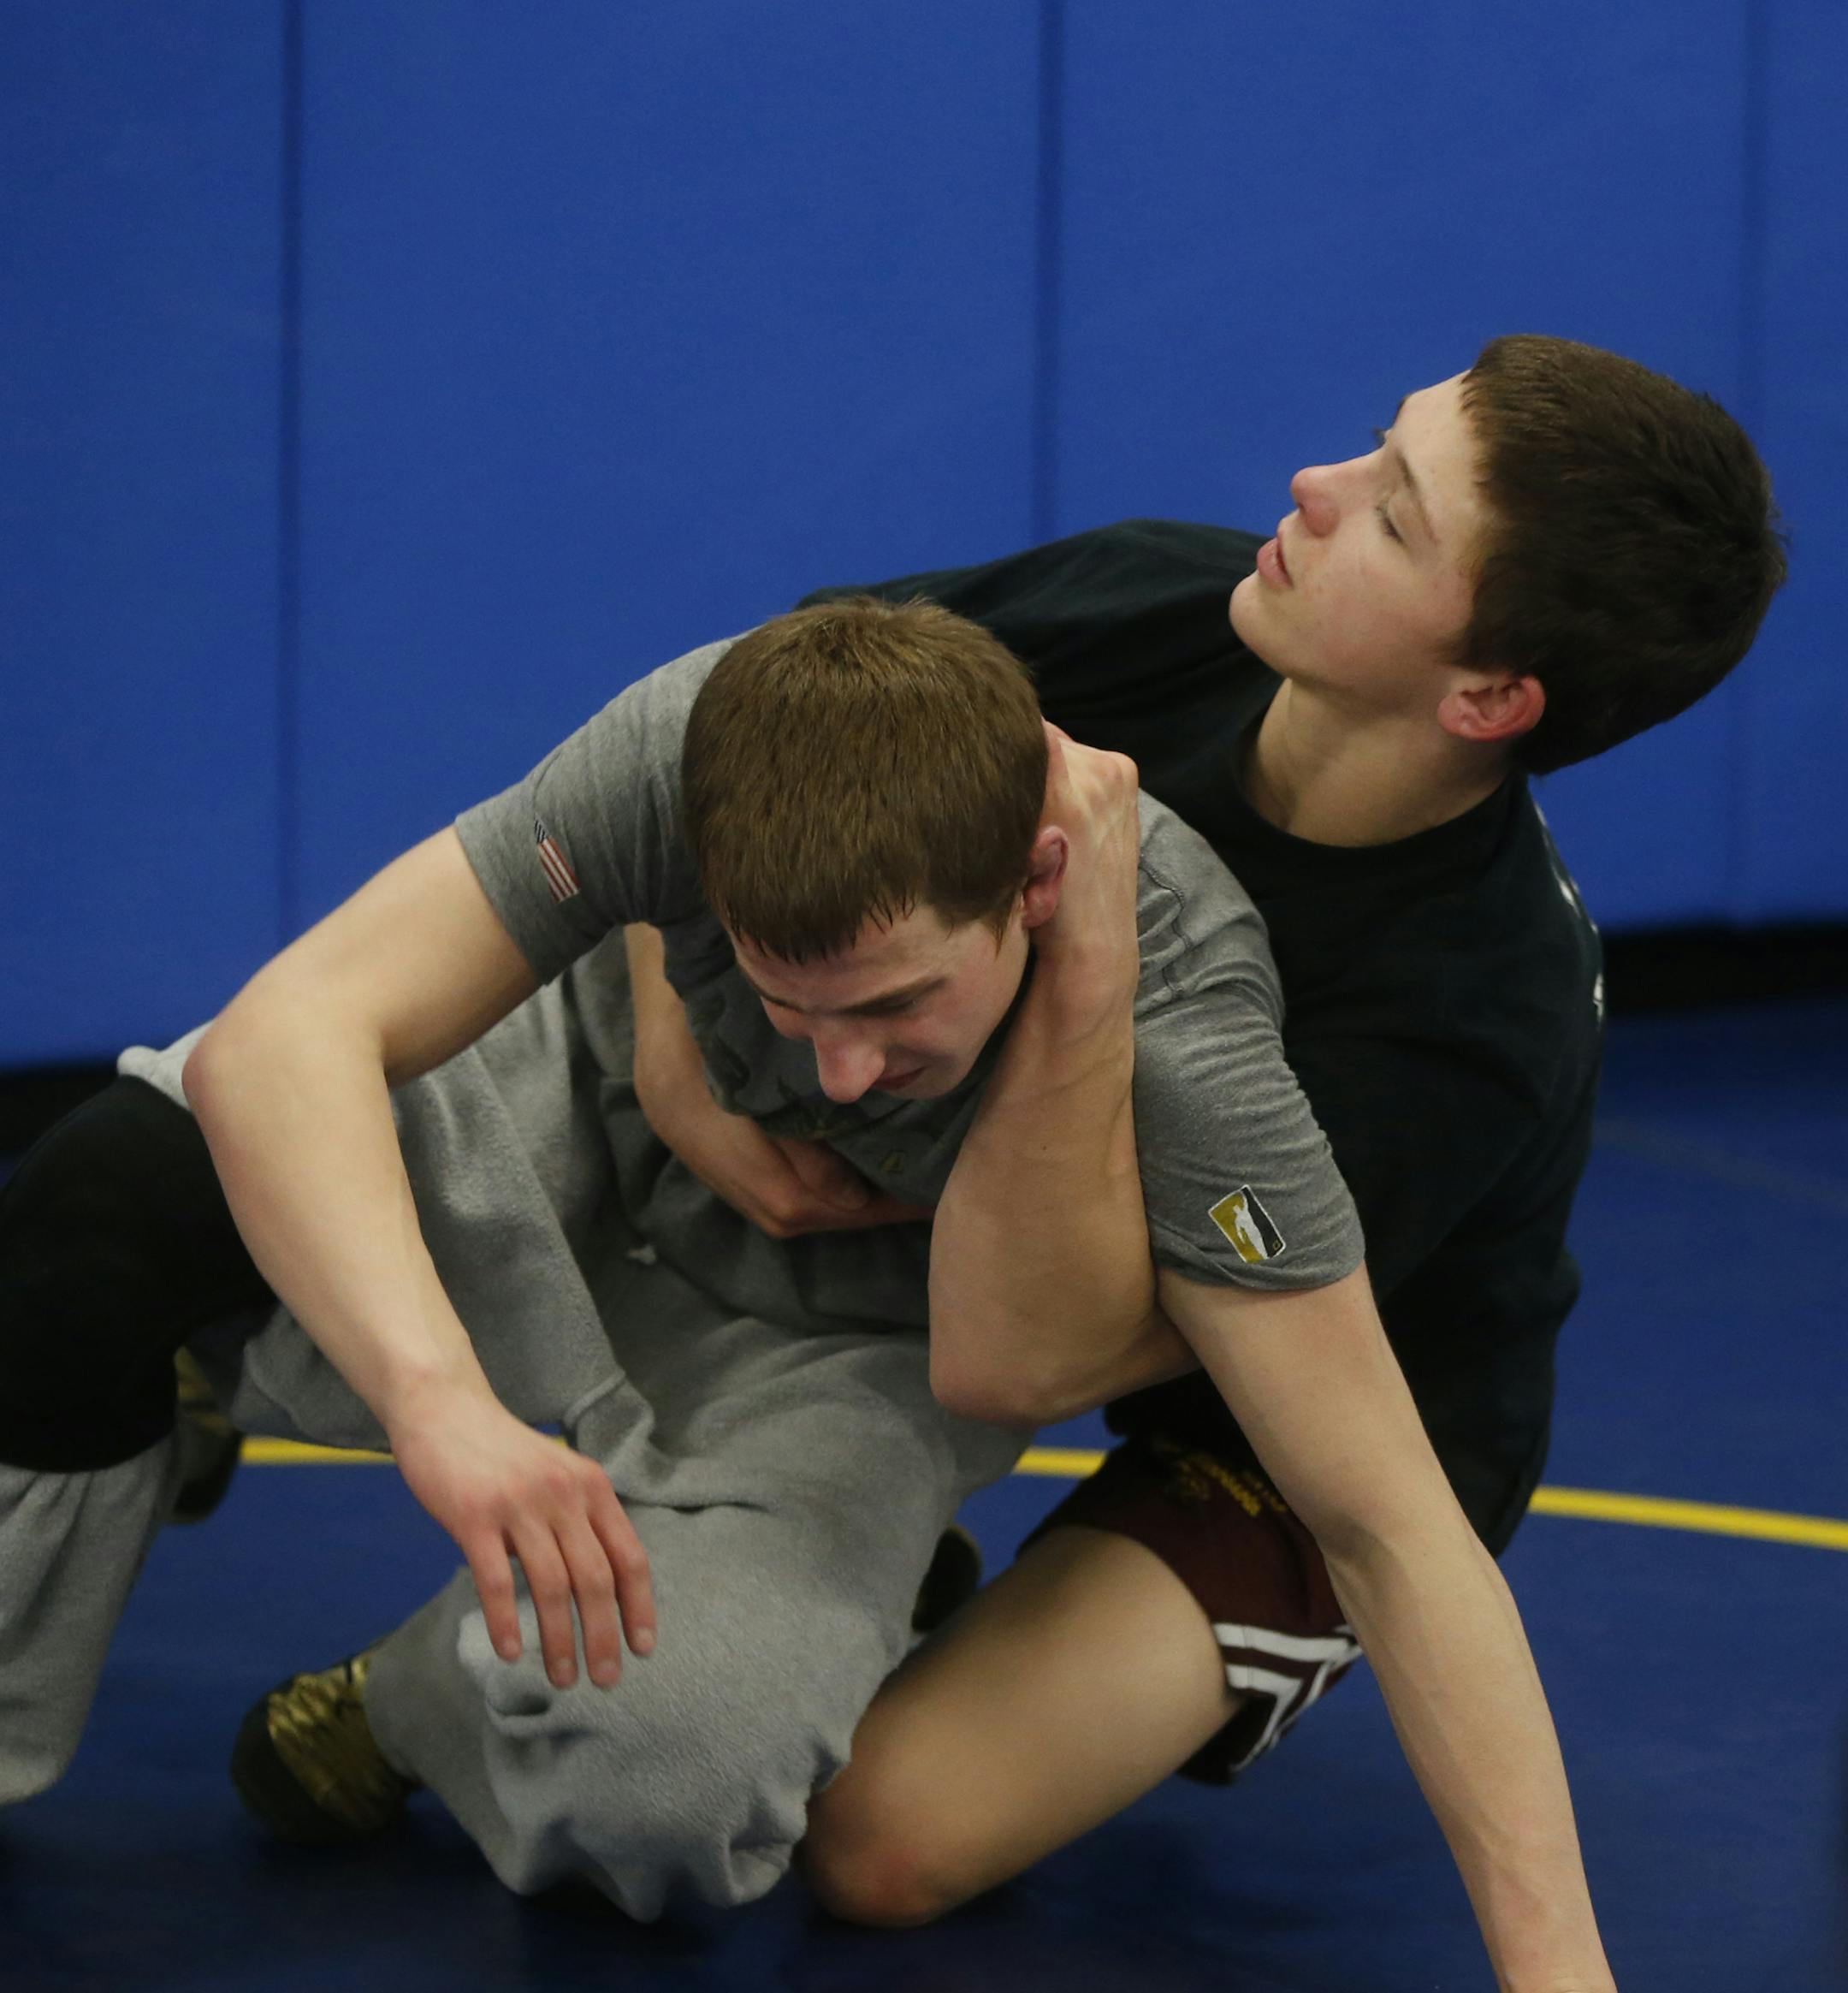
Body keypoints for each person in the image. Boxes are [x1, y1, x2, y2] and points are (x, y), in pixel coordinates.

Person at [0, 586, 1621, 1978]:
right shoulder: (714, 733)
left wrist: (1560, 1973)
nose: (840, 1078)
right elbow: (297, 1028)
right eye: (793, 1001)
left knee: (671, 1782)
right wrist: (435, 1404)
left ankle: (436, 1690)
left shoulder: (1199, 1028)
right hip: (599, 1123)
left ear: (1036, 887)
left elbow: (1385, 1517)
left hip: (849, 1337)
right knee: (102, 1209)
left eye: (898, 1010)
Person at [607, 334, 1782, 1940]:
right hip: (989, 1200)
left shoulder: (1470, 1020)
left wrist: (1559, 1964)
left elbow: (1097, 1354)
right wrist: (679, 1071)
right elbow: (723, 727)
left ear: (1488, 695)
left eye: (1393, 515)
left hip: (1274, 1415)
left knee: (886, 1840)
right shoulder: (1165, 600)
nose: (1314, 486)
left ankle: (921, 1605)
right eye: (1377, 446)